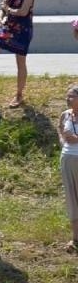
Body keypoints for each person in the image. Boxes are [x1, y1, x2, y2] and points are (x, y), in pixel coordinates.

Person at [59, 84, 78, 253]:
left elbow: (73, 137)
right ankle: (75, 237)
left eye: (71, 96)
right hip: (67, 159)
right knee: (71, 197)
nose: (68, 99)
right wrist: (64, 142)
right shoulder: (65, 115)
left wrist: (76, 138)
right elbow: (61, 131)